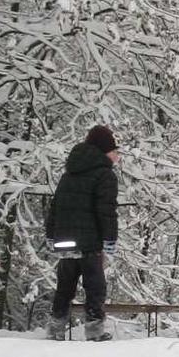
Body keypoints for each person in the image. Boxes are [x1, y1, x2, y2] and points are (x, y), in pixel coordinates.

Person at [45, 125, 120, 341]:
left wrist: (51, 235)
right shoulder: (105, 175)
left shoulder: (69, 173)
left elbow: (55, 206)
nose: (117, 156)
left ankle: (55, 329)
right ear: (104, 152)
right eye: (114, 151)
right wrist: (110, 241)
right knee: (95, 287)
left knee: (64, 287)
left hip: (65, 241)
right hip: (90, 243)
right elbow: (106, 211)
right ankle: (95, 332)